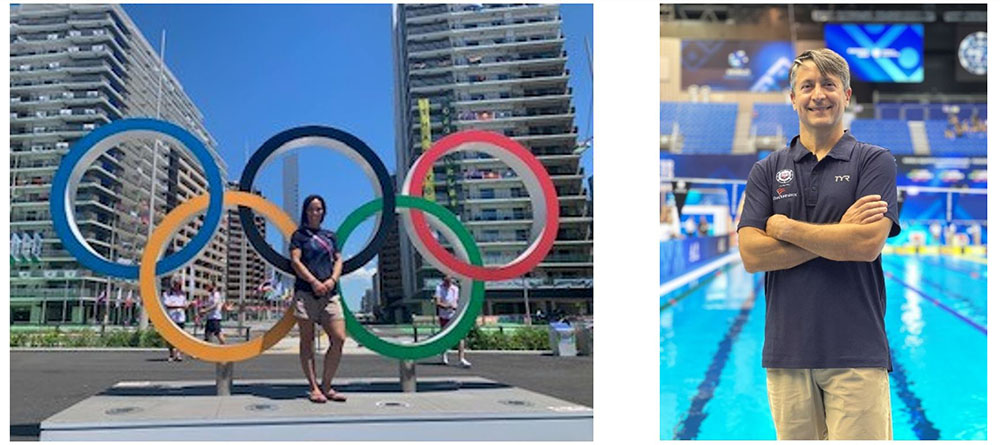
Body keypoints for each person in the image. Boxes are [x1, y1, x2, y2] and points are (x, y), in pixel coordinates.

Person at [736, 49, 900, 440]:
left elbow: (865, 245)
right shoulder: (767, 170)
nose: (818, 95)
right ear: (792, 98)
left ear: (846, 94)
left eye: (829, 84)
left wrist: (785, 228)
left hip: (856, 352)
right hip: (786, 353)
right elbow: (751, 255)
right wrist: (836, 234)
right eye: (807, 86)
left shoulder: (874, 162)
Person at [290, 195, 347, 403]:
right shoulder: (299, 236)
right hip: (306, 293)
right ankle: (314, 388)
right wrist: (314, 281)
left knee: (339, 338)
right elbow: (295, 261)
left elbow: (339, 260)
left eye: (320, 209)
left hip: (330, 293)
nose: (316, 212)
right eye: (312, 209)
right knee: (308, 342)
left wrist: (332, 280)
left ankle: (327, 385)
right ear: (306, 211)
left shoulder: (331, 236)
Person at [435, 276, 471, 368]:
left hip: (454, 315)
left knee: (460, 336)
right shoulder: (439, 288)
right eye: (447, 280)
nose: (449, 282)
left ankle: (461, 359)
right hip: (444, 316)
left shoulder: (455, 289)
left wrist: (456, 307)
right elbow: (438, 303)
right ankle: (443, 356)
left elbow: (456, 301)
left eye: (450, 280)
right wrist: (447, 306)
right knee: (444, 336)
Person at [162, 276, 191, 362]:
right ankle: (171, 354)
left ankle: (178, 354)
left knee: (180, 337)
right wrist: (180, 306)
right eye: (176, 284)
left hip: (180, 318)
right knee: (169, 338)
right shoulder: (167, 293)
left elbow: (185, 304)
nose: (178, 286)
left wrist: (188, 305)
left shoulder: (183, 294)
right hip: (170, 318)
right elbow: (167, 305)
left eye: (179, 284)